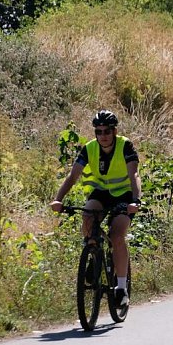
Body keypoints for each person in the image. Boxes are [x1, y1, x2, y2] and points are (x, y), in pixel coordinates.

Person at [50, 110, 141, 308]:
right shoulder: (89, 148)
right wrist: (58, 199)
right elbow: (72, 177)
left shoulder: (125, 146)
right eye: (98, 132)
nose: (103, 135)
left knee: (117, 235)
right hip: (100, 193)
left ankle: (121, 288)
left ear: (114, 131)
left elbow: (133, 175)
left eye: (107, 131)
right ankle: (94, 252)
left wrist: (135, 201)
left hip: (124, 195)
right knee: (87, 216)